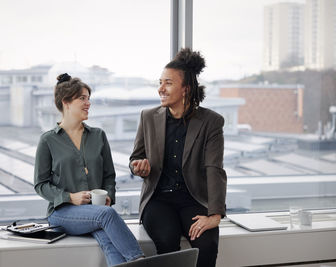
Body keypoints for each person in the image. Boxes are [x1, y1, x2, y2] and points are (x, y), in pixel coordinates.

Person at [129, 48, 227, 267]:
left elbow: (215, 169)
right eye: (160, 82)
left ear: (186, 89)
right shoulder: (148, 117)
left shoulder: (211, 122)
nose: (160, 89)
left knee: (207, 244)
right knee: (167, 241)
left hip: (192, 199)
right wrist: (138, 167)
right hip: (158, 199)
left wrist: (215, 215)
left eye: (168, 83)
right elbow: (136, 158)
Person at [34, 73, 144, 266]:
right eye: (82, 98)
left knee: (109, 243)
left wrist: (108, 195)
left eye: (88, 98)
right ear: (66, 102)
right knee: (106, 215)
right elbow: (41, 185)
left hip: (95, 211)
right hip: (62, 213)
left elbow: (109, 175)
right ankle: (140, 261)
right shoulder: (48, 140)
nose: (88, 103)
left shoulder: (98, 136)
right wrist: (70, 197)